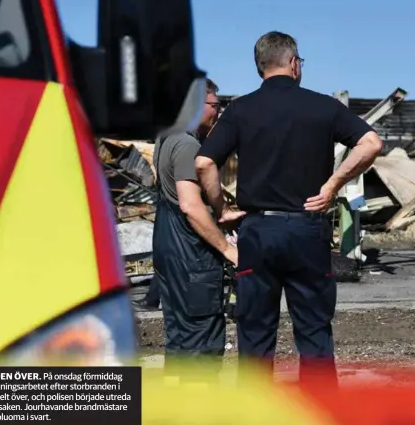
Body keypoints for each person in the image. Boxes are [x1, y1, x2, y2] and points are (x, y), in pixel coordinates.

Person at [195, 31, 383, 383]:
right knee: (314, 334)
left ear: (259, 68)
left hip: (257, 232)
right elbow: (371, 143)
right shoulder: (324, 107)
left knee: (254, 336)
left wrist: (220, 209)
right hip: (307, 229)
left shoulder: (239, 109)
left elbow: (205, 163)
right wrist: (332, 185)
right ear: (294, 64)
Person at [152, 78, 242, 380]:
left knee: (178, 334)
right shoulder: (188, 145)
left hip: (168, 245)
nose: (217, 112)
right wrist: (228, 249)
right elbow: (190, 206)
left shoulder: (166, 137)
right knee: (201, 338)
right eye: (214, 105)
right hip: (191, 256)